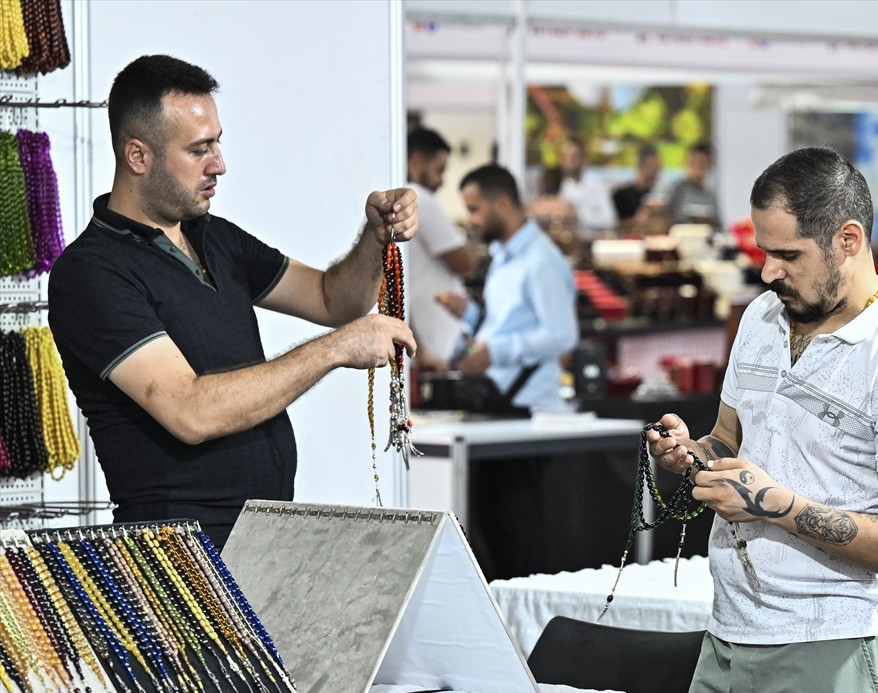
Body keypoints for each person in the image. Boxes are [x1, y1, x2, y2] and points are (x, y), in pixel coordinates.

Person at [646, 147, 878, 693]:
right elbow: (728, 441)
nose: (768, 272)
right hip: (727, 639)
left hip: (830, 650)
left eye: (787, 255)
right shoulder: (762, 319)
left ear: (848, 240)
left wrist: (772, 503)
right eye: (763, 251)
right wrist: (688, 454)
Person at [47, 54, 418, 549]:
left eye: (217, 142)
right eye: (199, 149)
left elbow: (334, 299)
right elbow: (190, 412)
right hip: (178, 558)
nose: (219, 164)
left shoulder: (215, 237)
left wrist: (375, 239)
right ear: (137, 156)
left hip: (258, 536)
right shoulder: (91, 273)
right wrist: (333, 350)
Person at [441, 163, 580, 579]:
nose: (471, 220)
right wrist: (470, 314)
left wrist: (496, 351)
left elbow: (562, 334)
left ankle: (530, 627)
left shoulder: (541, 261)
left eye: (475, 209)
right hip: (501, 409)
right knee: (495, 530)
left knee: (518, 538)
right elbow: (509, 322)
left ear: (502, 202)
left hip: (530, 415)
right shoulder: (504, 256)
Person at [406, 127, 479, 375]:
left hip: (431, 341)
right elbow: (465, 262)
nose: (442, 181)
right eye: (439, 170)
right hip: (440, 346)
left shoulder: (405, 200)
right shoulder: (419, 198)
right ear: (416, 162)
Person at [557, 138, 617, 237]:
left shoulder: (596, 183)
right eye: (566, 157)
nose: (569, 161)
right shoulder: (564, 185)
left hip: (593, 241)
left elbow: (610, 219)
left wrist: (578, 215)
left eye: (574, 156)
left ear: (583, 159)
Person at [664, 142, 720, 227]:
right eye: (695, 162)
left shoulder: (710, 194)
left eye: (703, 162)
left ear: (710, 165)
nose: (699, 166)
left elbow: (719, 224)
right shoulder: (677, 188)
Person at [611, 143, 661, 228]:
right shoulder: (620, 195)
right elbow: (612, 224)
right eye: (652, 167)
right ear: (640, 167)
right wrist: (636, 221)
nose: (656, 172)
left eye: (658, 167)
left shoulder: (658, 195)